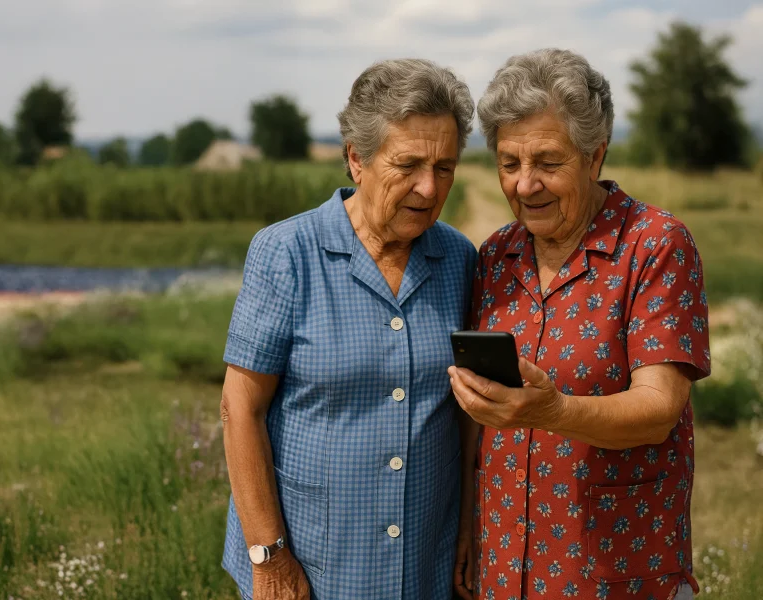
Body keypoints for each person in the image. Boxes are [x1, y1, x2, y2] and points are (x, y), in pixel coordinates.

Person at [448, 48, 711, 600]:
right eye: (509, 163)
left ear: (595, 156)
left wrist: (554, 412)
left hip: (616, 576)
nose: (525, 185)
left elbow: (659, 410)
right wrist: (468, 527)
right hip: (504, 570)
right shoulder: (496, 255)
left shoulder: (655, 245)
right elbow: (478, 415)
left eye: (548, 162)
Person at [220, 58, 479, 600]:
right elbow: (240, 408)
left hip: (424, 567)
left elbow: (466, 414)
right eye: (408, 165)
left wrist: (468, 527)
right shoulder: (286, 253)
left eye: (445, 167)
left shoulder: (459, 259)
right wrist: (270, 558)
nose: (429, 188)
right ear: (357, 158)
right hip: (312, 568)